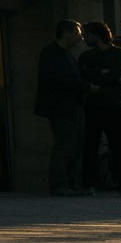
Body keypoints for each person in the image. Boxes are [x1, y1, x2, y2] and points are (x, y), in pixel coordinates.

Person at [35, 19, 88, 195]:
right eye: (79, 34)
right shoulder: (51, 54)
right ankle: (60, 185)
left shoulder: (67, 55)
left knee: (75, 147)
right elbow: (59, 80)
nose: (81, 38)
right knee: (64, 146)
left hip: (73, 107)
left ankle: (73, 184)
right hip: (61, 108)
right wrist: (84, 86)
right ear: (68, 32)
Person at [77, 21, 121, 192]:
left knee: (118, 145)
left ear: (97, 35)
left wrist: (96, 75)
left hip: (113, 106)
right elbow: (82, 76)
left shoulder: (119, 54)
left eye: (87, 35)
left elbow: (115, 75)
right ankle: (88, 184)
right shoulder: (85, 56)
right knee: (90, 145)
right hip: (92, 106)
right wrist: (102, 73)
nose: (84, 38)